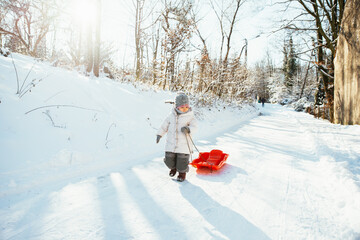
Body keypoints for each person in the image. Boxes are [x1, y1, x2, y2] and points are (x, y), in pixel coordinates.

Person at [156, 93, 197, 182]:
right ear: (177, 107)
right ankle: (173, 168)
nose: (184, 109)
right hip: (171, 144)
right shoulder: (171, 116)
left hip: (184, 145)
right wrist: (159, 134)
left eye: (186, 107)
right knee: (169, 160)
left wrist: (188, 129)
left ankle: (182, 174)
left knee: (182, 162)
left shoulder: (190, 117)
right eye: (182, 107)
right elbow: (164, 126)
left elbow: (195, 127)